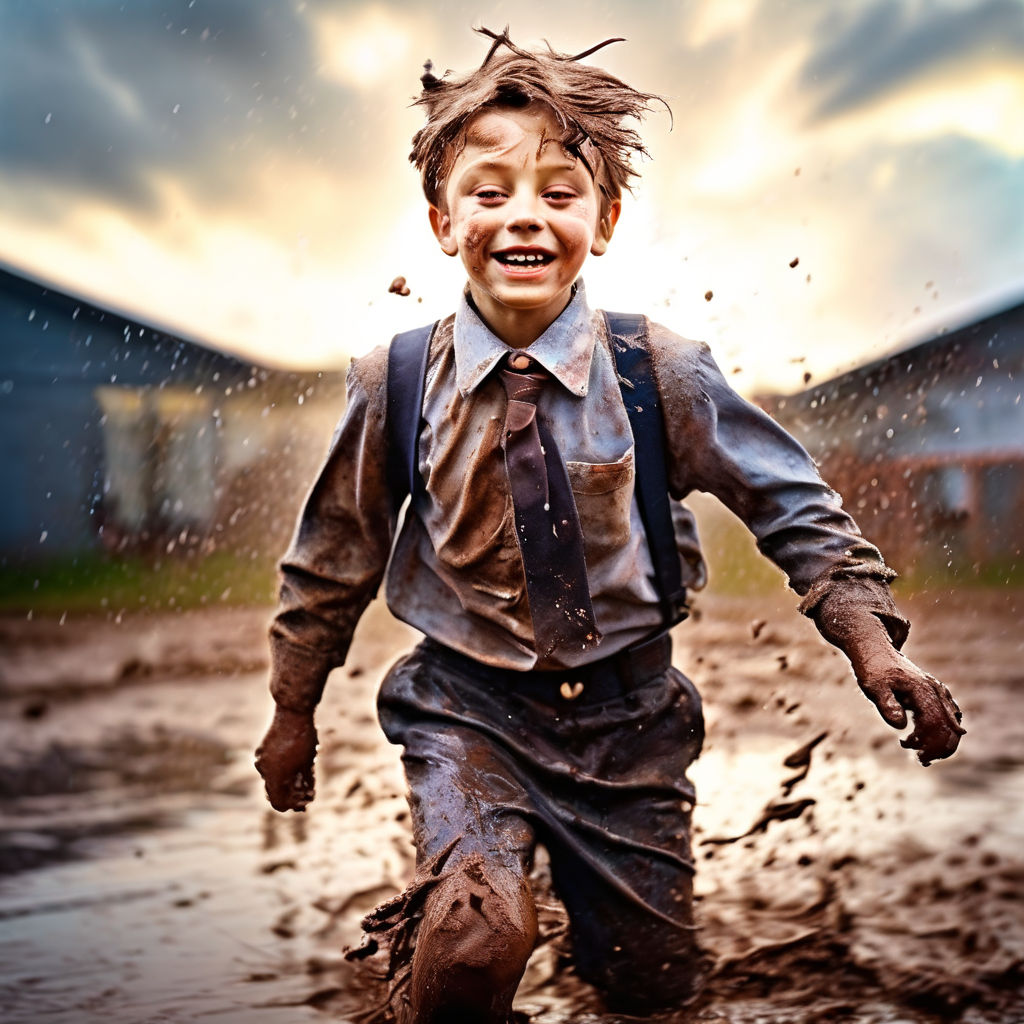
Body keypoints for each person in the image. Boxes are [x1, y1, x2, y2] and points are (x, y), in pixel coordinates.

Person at [255, 27, 964, 1024]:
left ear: (607, 217)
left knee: (649, 989)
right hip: (466, 710)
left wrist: (870, 646)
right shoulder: (397, 380)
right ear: (440, 220)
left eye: (558, 191)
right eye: (489, 193)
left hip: (629, 724)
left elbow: (790, 503)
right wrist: (292, 710)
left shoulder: (658, 371)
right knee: (470, 940)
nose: (524, 218)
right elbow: (334, 554)